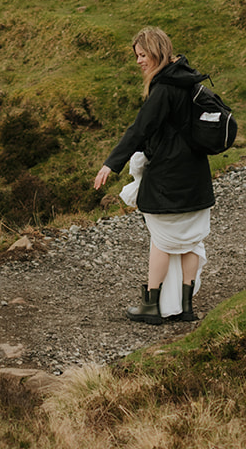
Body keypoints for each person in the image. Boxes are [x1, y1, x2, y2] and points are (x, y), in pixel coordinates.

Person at [93, 26, 213, 325]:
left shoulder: (164, 88)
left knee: (162, 239)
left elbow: (139, 128)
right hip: (197, 176)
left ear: (157, 52)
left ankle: (151, 305)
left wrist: (111, 163)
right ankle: (186, 307)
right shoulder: (190, 80)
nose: (138, 62)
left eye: (142, 55)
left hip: (168, 178)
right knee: (191, 241)